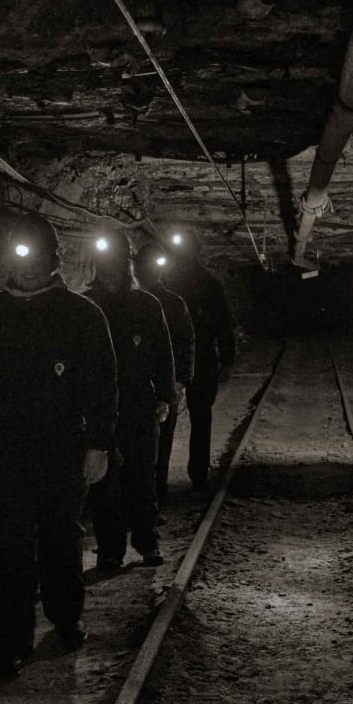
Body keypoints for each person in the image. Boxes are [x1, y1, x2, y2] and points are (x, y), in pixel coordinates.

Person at [0, 215, 116, 677]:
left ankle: (66, 617)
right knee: (9, 544)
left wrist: (99, 443)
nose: (29, 268)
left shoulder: (81, 315)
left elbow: (102, 384)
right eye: (22, 258)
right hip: (4, 448)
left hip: (62, 446)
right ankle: (10, 639)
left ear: (55, 259)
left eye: (38, 258)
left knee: (61, 535)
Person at [84, 229, 176, 568]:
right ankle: (110, 549)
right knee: (103, 480)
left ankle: (146, 541)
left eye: (118, 263)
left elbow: (163, 354)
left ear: (128, 265)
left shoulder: (146, 305)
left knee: (141, 476)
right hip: (98, 410)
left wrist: (165, 395)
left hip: (138, 405)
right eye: (107, 263)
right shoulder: (85, 306)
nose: (112, 269)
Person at [165, 226, 235, 492]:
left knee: (187, 416)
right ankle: (194, 474)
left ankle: (176, 475)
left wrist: (226, 358)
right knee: (195, 417)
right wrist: (226, 358)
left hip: (187, 358)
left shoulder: (173, 284)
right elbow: (224, 324)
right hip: (189, 357)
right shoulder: (205, 284)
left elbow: (223, 323)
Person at [137, 239, 196, 503]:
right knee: (142, 444)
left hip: (164, 385)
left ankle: (155, 497)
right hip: (137, 386)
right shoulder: (130, 302)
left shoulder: (173, 303)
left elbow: (186, 342)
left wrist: (180, 381)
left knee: (160, 443)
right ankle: (143, 499)